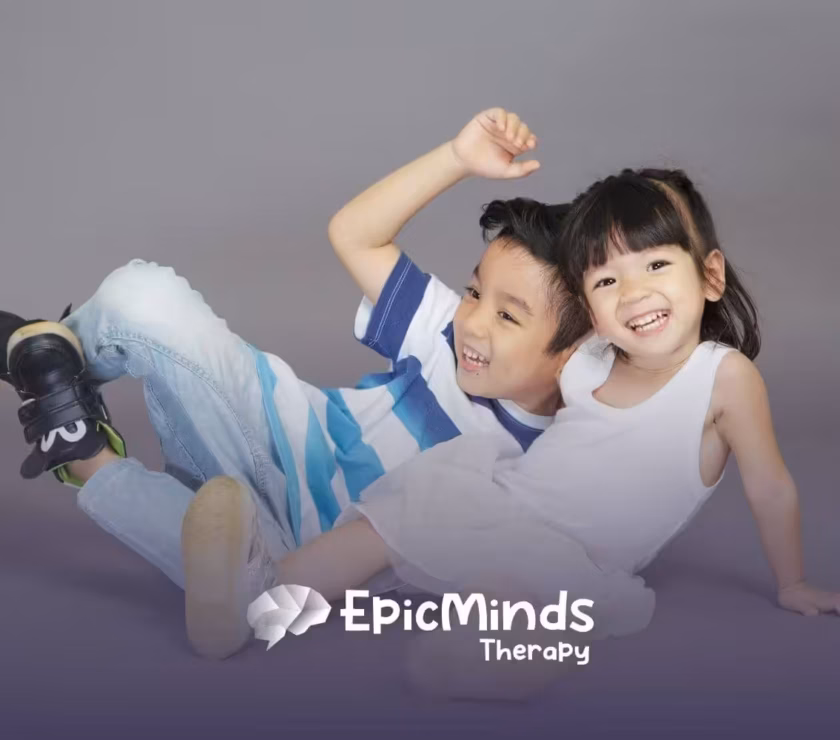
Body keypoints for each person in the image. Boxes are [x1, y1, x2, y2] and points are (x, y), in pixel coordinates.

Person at [181, 167, 840, 696]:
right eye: (608, 280)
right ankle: (253, 606)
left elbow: (771, 487)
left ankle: (483, 663)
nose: (634, 294)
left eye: (658, 267)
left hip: (577, 554)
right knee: (377, 531)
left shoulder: (722, 378)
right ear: (588, 312)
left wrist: (792, 582)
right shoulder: (589, 358)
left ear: (711, 276)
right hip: (501, 496)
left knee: (519, 603)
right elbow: (519, 338)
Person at [0, 108, 590, 646]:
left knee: (249, 588)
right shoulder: (444, 329)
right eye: (474, 293)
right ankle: (50, 357)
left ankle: (81, 455)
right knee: (143, 292)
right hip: (267, 432)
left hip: (303, 553)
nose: (475, 324)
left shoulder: (559, 463)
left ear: (575, 353)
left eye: (508, 316)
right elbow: (355, 233)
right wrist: (457, 160)